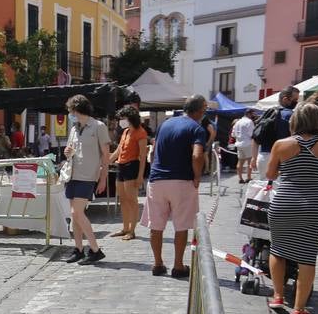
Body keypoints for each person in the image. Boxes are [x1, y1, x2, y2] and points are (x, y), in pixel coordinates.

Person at [265, 102, 318, 314]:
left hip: (284, 203)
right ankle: (299, 309)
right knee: (307, 256)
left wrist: (290, 169)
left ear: (294, 121)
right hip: (314, 205)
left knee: (278, 249)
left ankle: (278, 296)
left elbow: (270, 174)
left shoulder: (281, 144)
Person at [146, 94, 209, 278]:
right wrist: (197, 177)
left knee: (156, 226)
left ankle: (157, 264)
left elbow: (154, 150)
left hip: (157, 179)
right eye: (204, 109)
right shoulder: (197, 128)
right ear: (199, 110)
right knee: (181, 226)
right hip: (181, 181)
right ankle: (178, 265)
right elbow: (197, 156)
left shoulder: (165, 124)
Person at [63, 95, 111, 265]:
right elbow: (69, 151)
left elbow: (106, 155)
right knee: (74, 215)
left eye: (70, 110)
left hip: (88, 176)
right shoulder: (74, 128)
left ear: (76, 109)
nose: (70, 113)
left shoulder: (99, 126)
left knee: (77, 212)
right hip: (72, 175)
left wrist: (103, 178)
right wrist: (67, 152)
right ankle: (78, 249)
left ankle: (95, 250)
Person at [111, 106, 149, 239]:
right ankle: (125, 228)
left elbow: (143, 156)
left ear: (130, 118)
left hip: (132, 166)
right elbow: (118, 151)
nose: (121, 121)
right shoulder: (126, 131)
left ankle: (131, 231)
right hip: (121, 167)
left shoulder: (141, 132)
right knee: (123, 199)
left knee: (132, 200)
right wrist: (105, 161)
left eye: (123, 118)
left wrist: (140, 176)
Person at [255, 86, 299, 178]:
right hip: (281, 158)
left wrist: (253, 158)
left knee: (264, 188)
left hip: (263, 157)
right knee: (279, 190)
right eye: (295, 99)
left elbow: (255, 137)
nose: (296, 102)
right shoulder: (291, 115)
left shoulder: (268, 112)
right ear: (285, 99)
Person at [232, 109, 256, 184]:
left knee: (240, 161)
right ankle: (248, 177)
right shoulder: (249, 122)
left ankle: (240, 178)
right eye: (252, 114)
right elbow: (251, 134)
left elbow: (233, 134)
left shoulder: (237, 122)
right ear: (249, 114)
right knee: (249, 161)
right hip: (247, 143)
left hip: (239, 143)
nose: (253, 115)